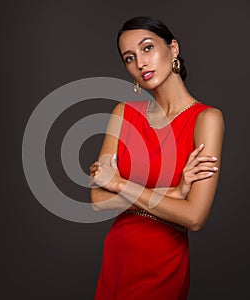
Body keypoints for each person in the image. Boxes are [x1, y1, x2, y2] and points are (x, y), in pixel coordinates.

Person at [89, 16, 224, 300]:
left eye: (147, 48)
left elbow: (194, 216)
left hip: (162, 262)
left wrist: (118, 184)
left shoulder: (206, 119)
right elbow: (98, 202)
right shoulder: (123, 114)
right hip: (118, 256)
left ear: (173, 49)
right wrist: (175, 192)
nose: (140, 63)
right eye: (129, 57)